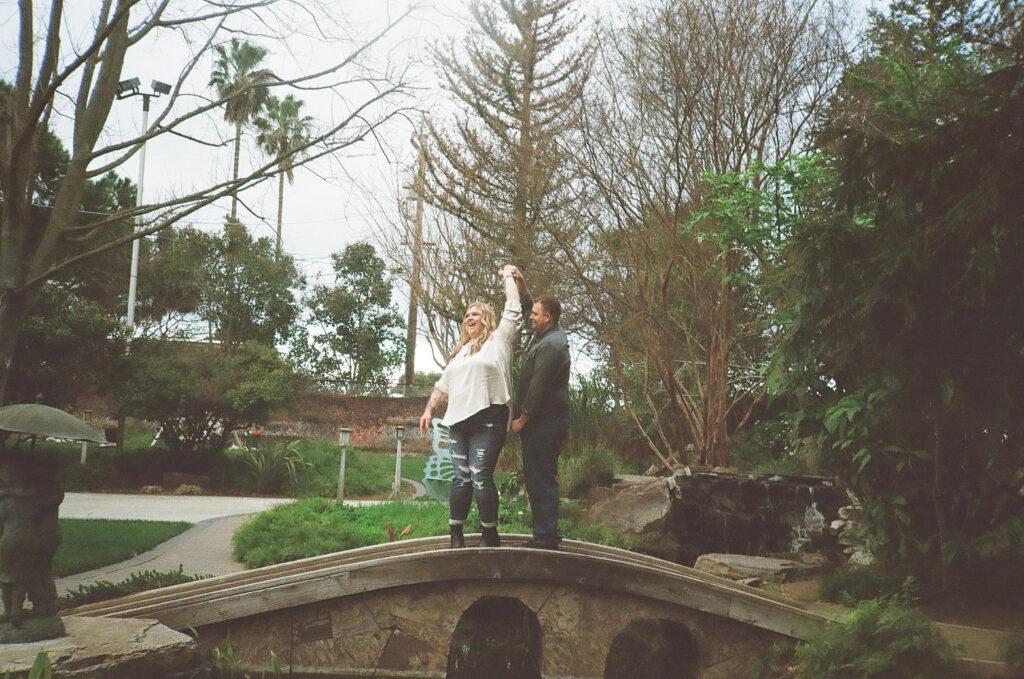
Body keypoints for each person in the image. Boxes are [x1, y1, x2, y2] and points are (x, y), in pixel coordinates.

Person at [419, 265, 522, 548]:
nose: (469, 318)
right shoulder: (460, 353)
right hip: (458, 422)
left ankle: (489, 534)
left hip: (489, 417)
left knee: (480, 476)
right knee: (461, 478)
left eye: (474, 314)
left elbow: (513, 309)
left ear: (486, 318)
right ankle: (456, 536)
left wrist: (509, 277)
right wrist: (429, 410)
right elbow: (443, 385)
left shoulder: (498, 341)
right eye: (466, 316)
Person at [509, 272, 570, 550]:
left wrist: (522, 419)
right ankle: (546, 533)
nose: (530, 317)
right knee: (538, 477)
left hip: (544, 424)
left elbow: (538, 389)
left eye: (536, 314)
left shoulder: (553, 346)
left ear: (548, 317)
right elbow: (526, 307)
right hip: (540, 423)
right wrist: (521, 284)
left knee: (541, 478)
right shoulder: (544, 334)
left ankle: (545, 538)